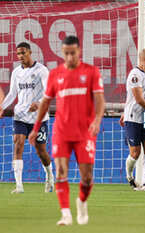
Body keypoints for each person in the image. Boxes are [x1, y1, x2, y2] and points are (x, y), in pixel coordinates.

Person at [28, 36, 105, 225]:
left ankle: (82, 202)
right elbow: (45, 103)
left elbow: (100, 101)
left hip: (85, 132)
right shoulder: (55, 74)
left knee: (86, 177)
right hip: (61, 131)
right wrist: (35, 129)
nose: (70, 57)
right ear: (63, 53)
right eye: (66, 53)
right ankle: (65, 214)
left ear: (79, 51)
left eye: (73, 53)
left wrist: (96, 121)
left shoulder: (91, 72)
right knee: (61, 171)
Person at [0, 42, 54, 194]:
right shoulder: (16, 72)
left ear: (30, 52)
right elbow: (12, 93)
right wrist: (2, 106)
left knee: (41, 151)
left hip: (39, 118)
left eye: (23, 53)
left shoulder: (41, 70)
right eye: (18, 54)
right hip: (20, 116)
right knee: (18, 145)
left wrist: (39, 102)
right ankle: (19, 186)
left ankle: (49, 175)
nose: (21, 56)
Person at [122, 49, 145, 192]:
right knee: (135, 153)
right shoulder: (135, 75)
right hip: (134, 117)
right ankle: (130, 177)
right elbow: (138, 100)